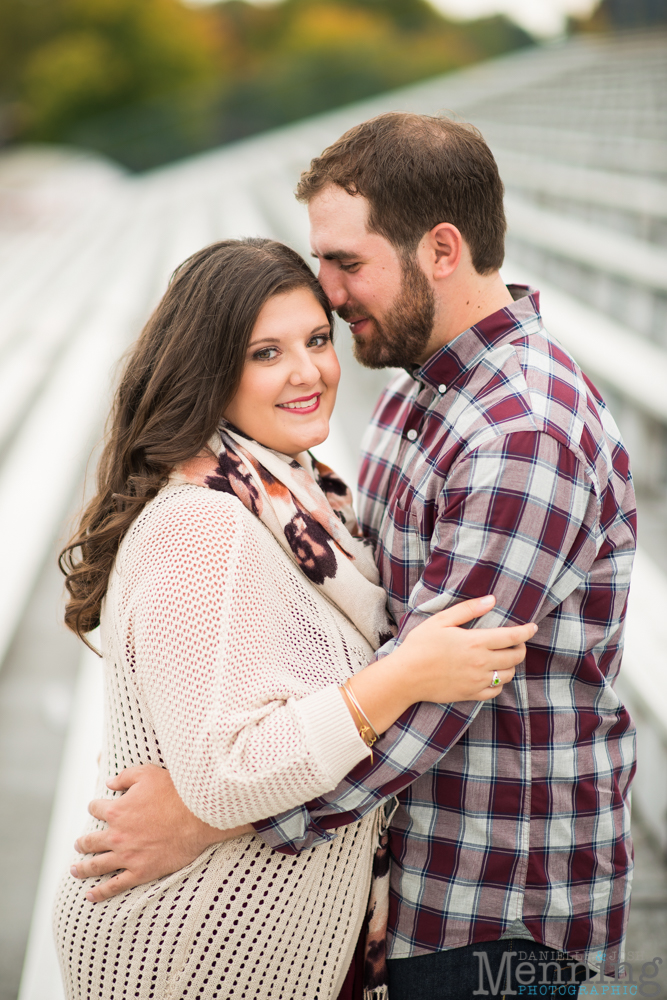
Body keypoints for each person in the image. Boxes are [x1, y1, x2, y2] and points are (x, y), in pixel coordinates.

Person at [71, 114, 637, 998]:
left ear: (440, 249)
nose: (329, 293)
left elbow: (431, 703)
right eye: (269, 346)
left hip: (495, 905)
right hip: (407, 888)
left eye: (346, 263)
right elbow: (391, 661)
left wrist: (210, 815)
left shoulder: (520, 438)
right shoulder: (415, 401)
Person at [55, 236, 534, 1000]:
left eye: (316, 340)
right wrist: (402, 676)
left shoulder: (297, 497)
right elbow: (226, 772)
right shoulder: (207, 524)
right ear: (210, 372)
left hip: (249, 943)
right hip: (193, 953)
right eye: (265, 353)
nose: (307, 372)